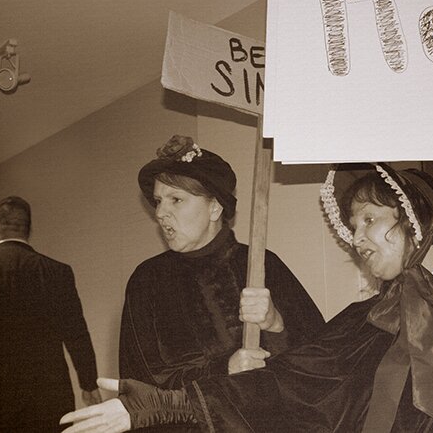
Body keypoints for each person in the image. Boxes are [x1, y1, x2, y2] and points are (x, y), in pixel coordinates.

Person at [60, 163, 433, 433]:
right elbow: (287, 385)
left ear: (415, 222)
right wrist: (157, 404)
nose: (358, 237)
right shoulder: (366, 320)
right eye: (353, 225)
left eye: (372, 220)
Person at [119, 135, 324, 429]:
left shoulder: (264, 265)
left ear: (215, 209)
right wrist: (224, 368)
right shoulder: (147, 280)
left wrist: (277, 325)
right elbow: (143, 384)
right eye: (159, 201)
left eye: (176, 200)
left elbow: (320, 361)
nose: (161, 213)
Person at [0, 196, 102, 432]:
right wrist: (88, 382)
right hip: (44, 400)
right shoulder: (57, 272)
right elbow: (77, 333)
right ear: (29, 230)